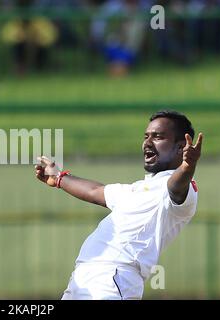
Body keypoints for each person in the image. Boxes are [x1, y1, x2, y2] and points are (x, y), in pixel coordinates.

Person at [35, 110, 203, 299]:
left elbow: (176, 188)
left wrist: (187, 167)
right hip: (82, 278)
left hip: (112, 279)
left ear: (181, 147)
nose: (147, 142)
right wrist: (59, 178)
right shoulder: (138, 189)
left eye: (158, 137)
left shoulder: (180, 190)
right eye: (146, 136)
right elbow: (96, 191)